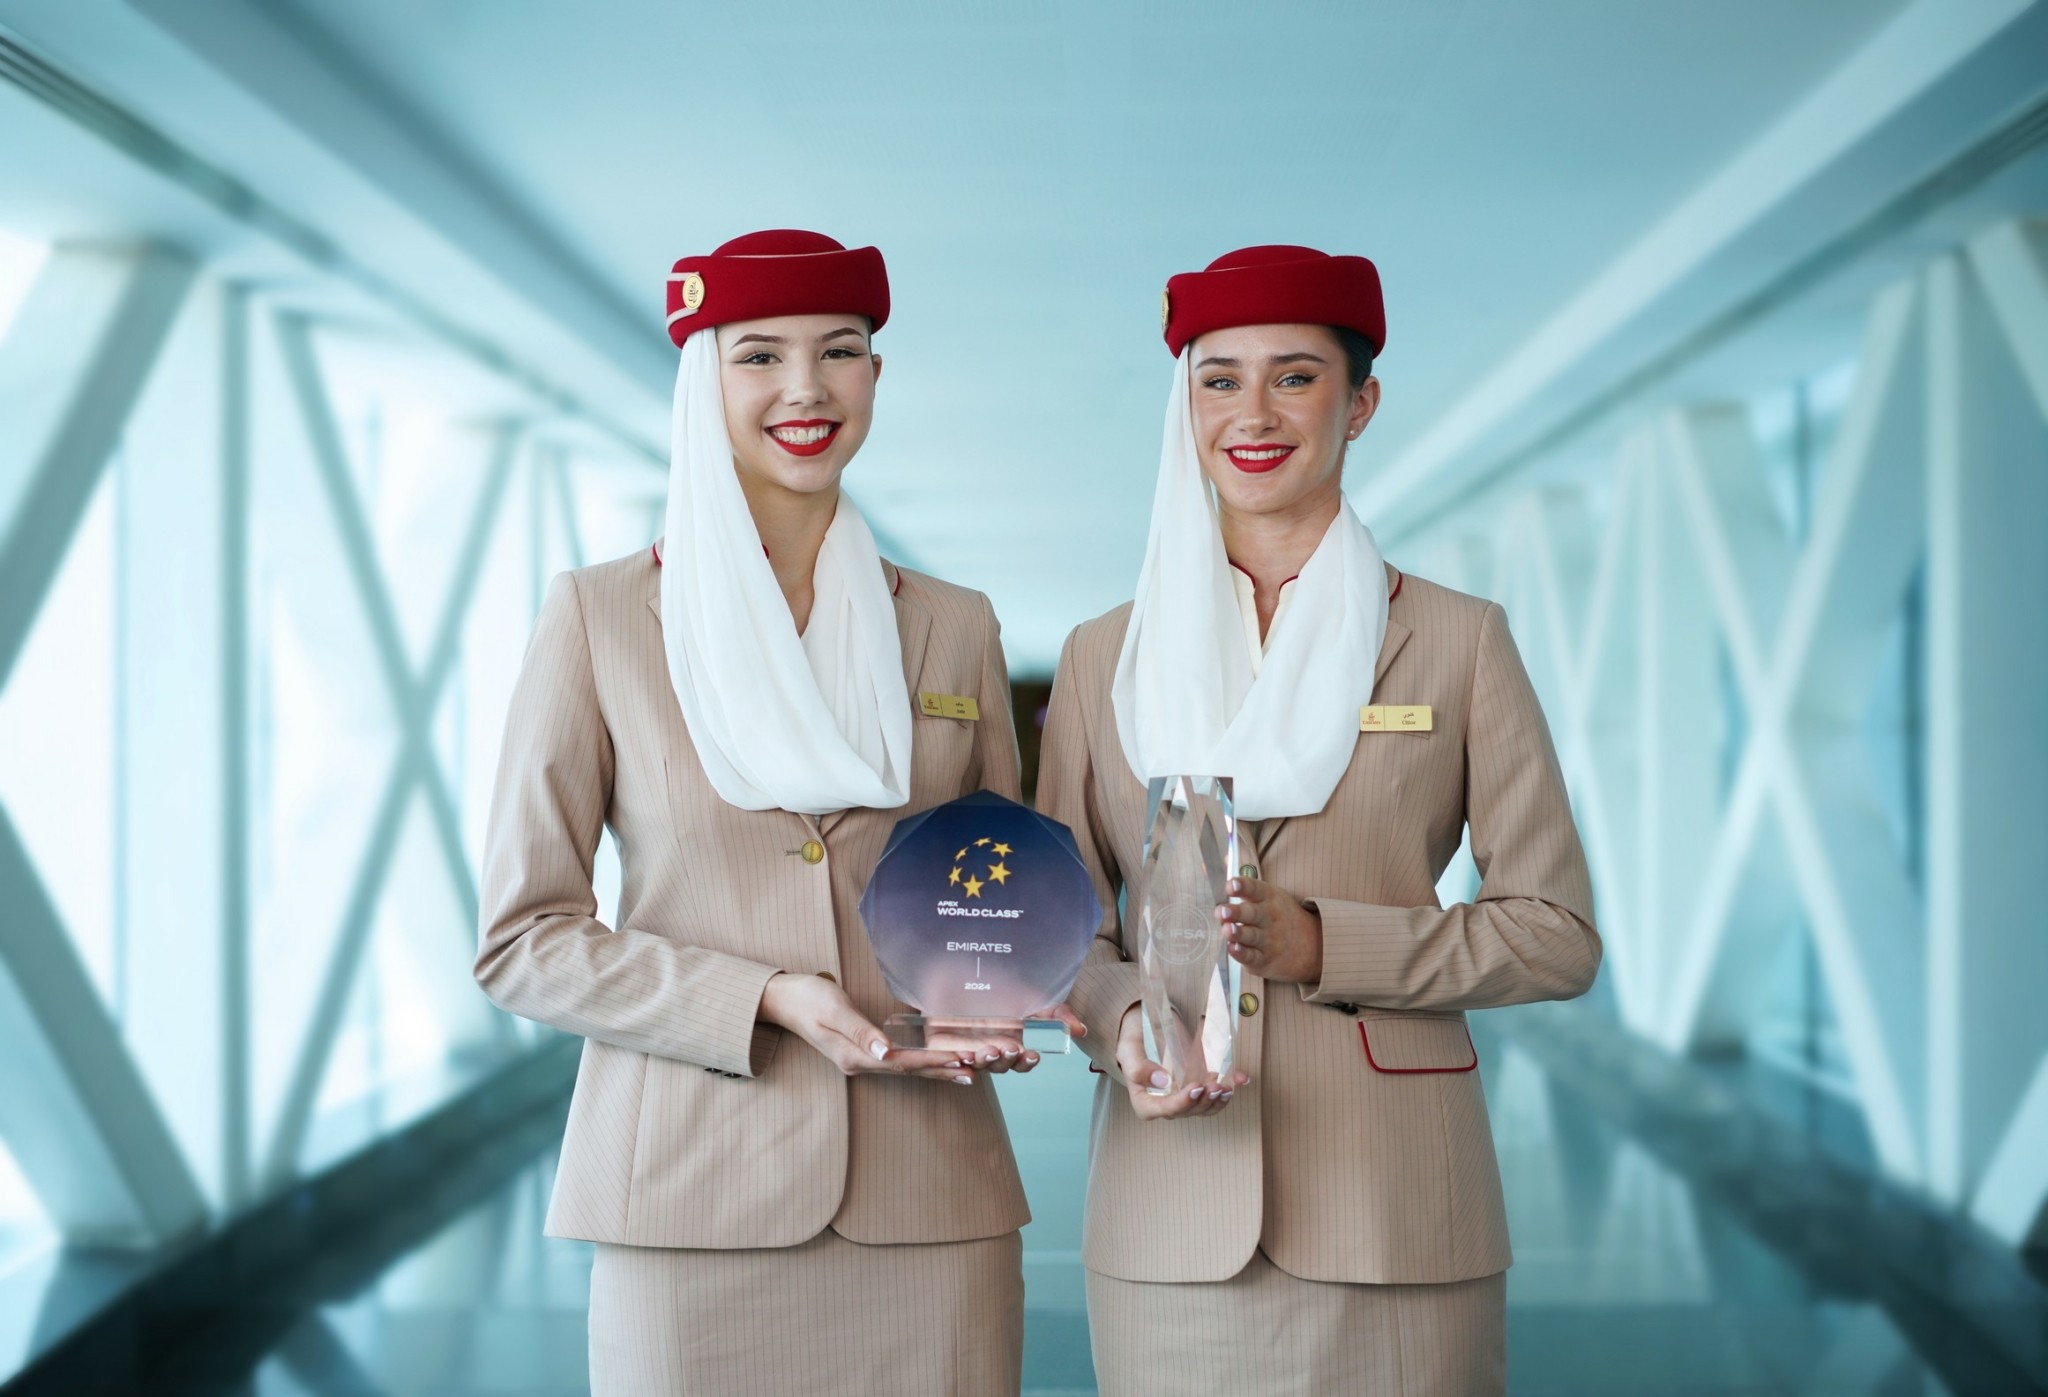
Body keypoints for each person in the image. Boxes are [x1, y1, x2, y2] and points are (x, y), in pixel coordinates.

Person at [475, 229, 1063, 1395]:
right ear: (703, 383)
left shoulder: (952, 623)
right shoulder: (600, 617)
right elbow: (522, 943)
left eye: (838, 352)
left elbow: (996, 886)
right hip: (688, 1195)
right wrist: (762, 995)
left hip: (925, 1195)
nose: (806, 388)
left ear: (874, 378)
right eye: (759, 356)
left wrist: (1004, 986)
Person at [1036, 244, 1601, 1396]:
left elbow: (1553, 933)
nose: (1252, 413)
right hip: (1168, 1209)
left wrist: (1325, 943)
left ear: (1360, 403)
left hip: (1394, 1205)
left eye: (1293, 377)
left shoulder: (1454, 640)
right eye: (1218, 379)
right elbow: (1064, 930)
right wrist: (1126, 1023)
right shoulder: (1104, 656)